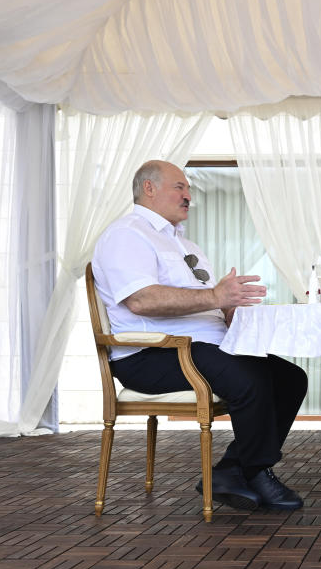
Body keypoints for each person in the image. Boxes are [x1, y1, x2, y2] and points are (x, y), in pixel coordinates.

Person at [92, 160, 309, 512]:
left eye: (188, 189)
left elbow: (208, 301)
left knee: (290, 378)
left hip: (204, 346)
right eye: (179, 187)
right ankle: (254, 471)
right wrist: (214, 297)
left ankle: (230, 470)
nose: (188, 195)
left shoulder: (184, 244)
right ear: (149, 188)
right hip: (151, 354)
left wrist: (229, 308)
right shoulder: (126, 235)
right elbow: (141, 299)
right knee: (249, 379)